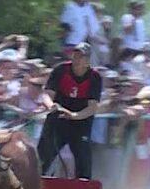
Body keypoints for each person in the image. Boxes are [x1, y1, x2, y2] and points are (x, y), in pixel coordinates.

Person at [36, 42, 102, 179]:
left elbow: (92, 107)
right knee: (44, 155)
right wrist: (51, 105)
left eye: (81, 56)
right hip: (57, 119)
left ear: (88, 60)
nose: (77, 59)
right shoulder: (60, 70)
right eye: (75, 55)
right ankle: (34, 184)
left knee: (83, 158)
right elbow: (47, 94)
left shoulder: (94, 77)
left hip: (80, 122)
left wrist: (73, 115)